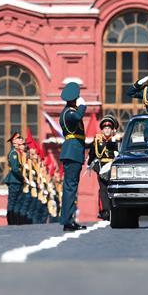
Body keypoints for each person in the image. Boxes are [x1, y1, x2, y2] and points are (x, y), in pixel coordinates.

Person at [58, 81, 86, 231]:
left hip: (73, 151)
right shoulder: (69, 113)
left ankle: (69, 220)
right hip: (72, 152)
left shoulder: (68, 112)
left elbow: (78, 136)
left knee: (71, 188)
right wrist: (82, 106)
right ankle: (68, 221)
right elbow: (77, 117)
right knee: (70, 187)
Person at [89, 115, 120, 221]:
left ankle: (115, 209)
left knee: (114, 188)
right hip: (102, 168)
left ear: (112, 130)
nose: (107, 130)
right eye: (105, 128)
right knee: (103, 189)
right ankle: (105, 211)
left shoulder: (115, 140)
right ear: (102, 130)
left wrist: (113, 141)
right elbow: (93, 154)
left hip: (114, 167)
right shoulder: (97, 140)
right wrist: (92, 165)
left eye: (109, 128)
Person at [5, 132, 24, 225]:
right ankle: (11, 221)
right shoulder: (13, 153)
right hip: (14, 180)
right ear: (13, 141)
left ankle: (16, 220)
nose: (21, 140)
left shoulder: (18, 153)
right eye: (18, 138)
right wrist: (23, 178)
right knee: (12, 201)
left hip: (18, 181)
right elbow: (15, 169)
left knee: (17, 202)